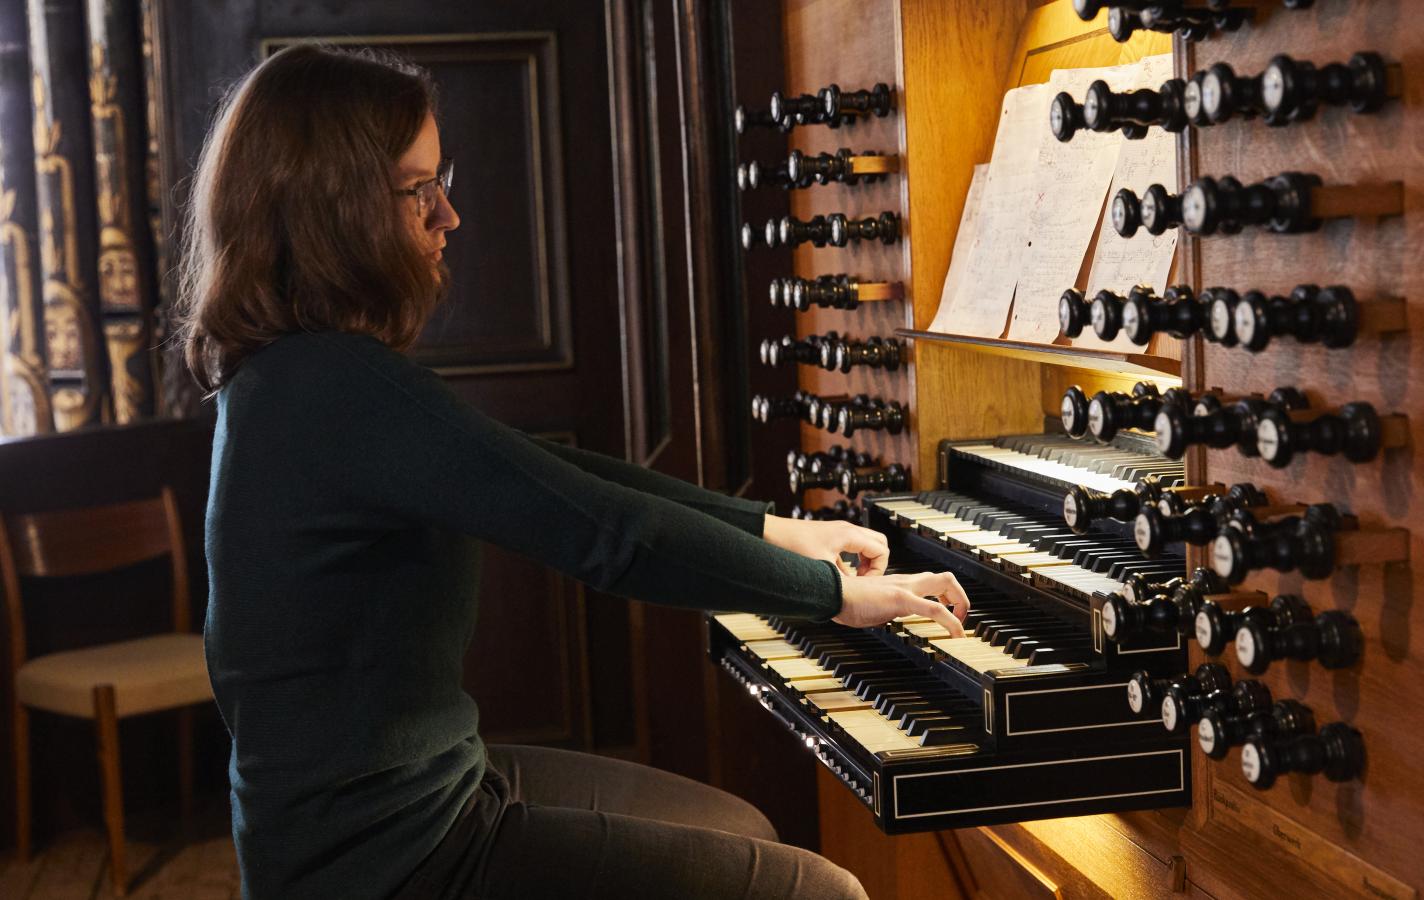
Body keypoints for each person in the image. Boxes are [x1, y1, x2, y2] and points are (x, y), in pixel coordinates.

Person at [172, 43, 969, 900]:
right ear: (336, 208)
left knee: (742, 832)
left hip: (414, 796)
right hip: (387, 861)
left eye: (445, 181)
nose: (449, 217)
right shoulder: (334, 385)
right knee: (824, 895)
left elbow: (551, 475)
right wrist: (830, 595)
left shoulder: (298, 375)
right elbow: (607, 536)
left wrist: (782, 529)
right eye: (418, 190)